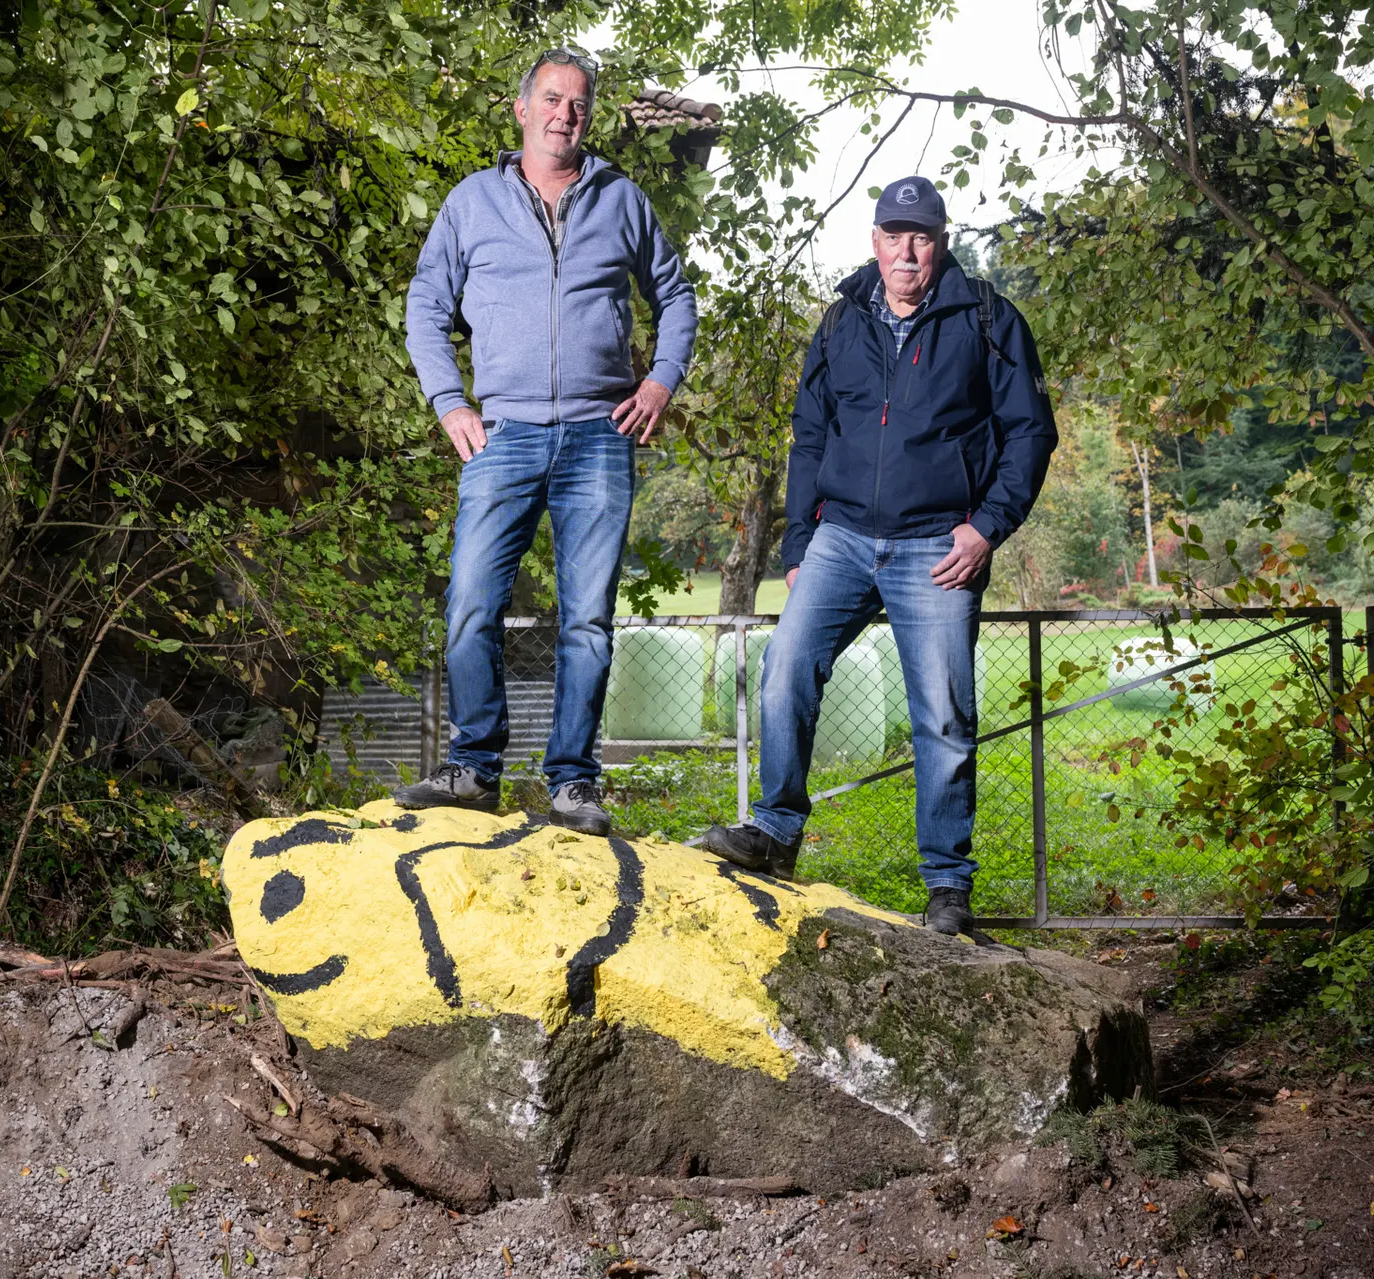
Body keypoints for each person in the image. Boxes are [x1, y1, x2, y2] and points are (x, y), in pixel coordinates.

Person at [701, 176, 1057, 934]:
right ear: (874, 241)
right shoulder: (839, 323)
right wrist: (800, 541)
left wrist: (987, 526)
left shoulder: (988, 318)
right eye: (894, 234)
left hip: (939, 543)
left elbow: (1030, 432)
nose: (906, 250)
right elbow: (809, 433)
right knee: (785, 667)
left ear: (941, 243)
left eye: (921, 236)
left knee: (943, 714)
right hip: (842, 537)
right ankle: (775, 830)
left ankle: (947, 886)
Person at [398, 49, 698, 836]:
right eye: (553, 99)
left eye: (580, 103)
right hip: (501, 436)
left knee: (587, 620)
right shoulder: (472, 203)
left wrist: (660, 382)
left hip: (601, 437)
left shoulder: (622, 202)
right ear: (522, 109)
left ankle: (572, 781)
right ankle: (474, 768)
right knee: (470, 606)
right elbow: (426, 304)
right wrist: (448, 402)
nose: (566, 113)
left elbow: (675, 294)